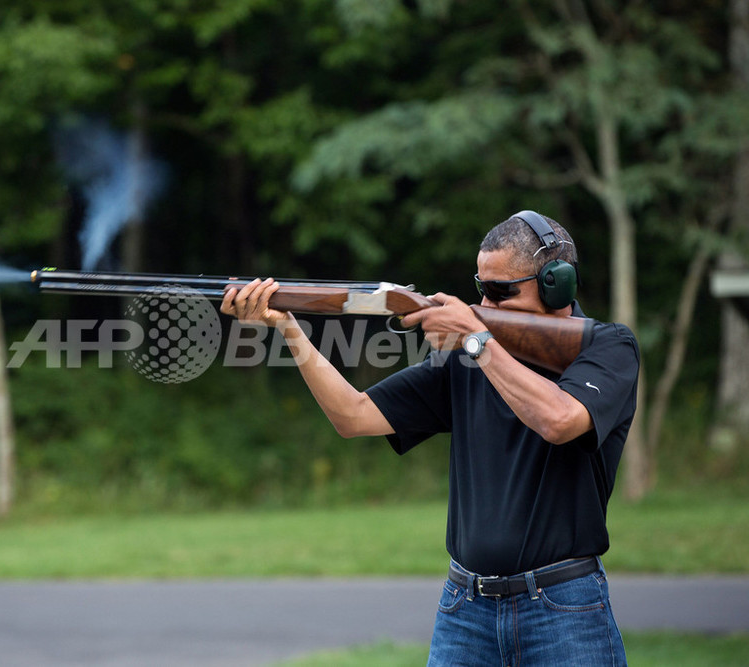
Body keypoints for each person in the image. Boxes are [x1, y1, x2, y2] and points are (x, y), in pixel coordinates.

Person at [221, 211, 638, 665]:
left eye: (501, 291)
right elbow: (353, 416)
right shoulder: (466, 357)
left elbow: (559, 420)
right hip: (466, 610)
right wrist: (288, 327)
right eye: (481, 287)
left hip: (563, 609)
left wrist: (477, 341)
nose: (486, 301)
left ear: (557, 283)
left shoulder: (607, 347)